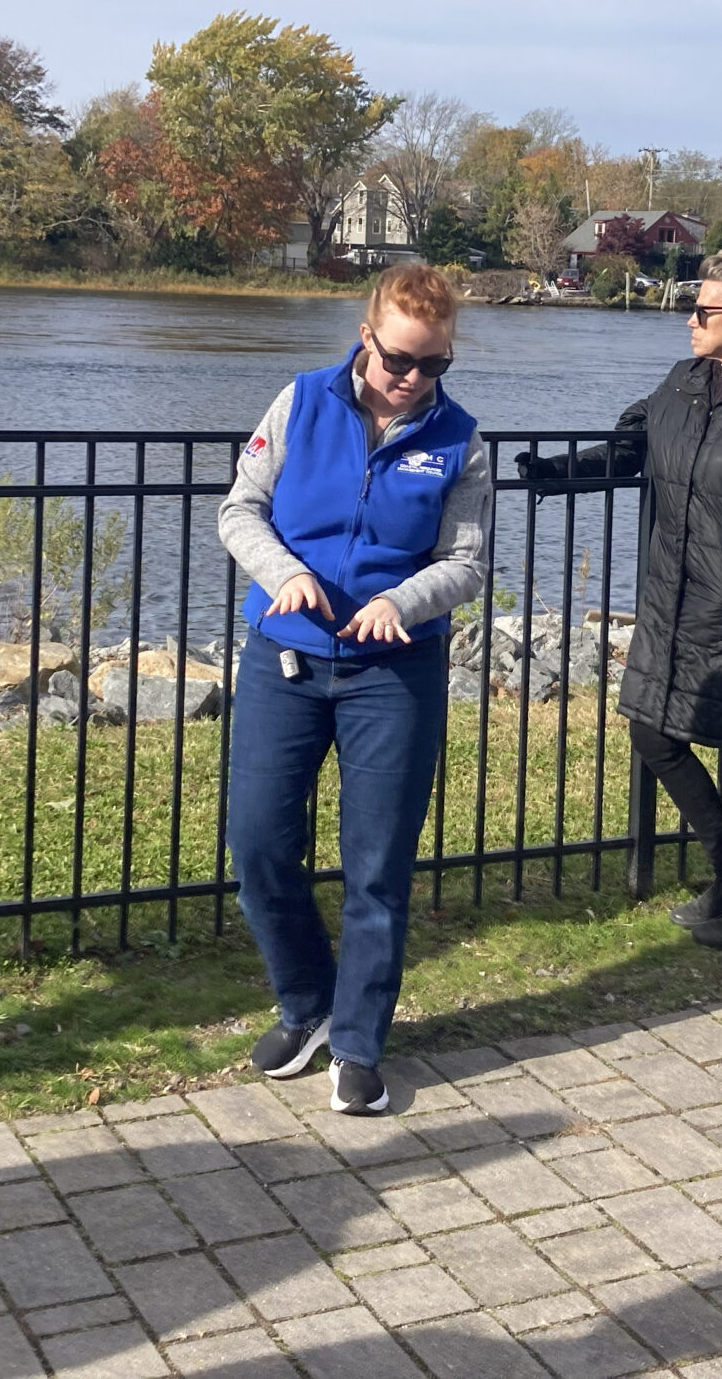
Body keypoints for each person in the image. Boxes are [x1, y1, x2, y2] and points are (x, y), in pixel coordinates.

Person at [218, 263, 487, 1116]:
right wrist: (285, 574)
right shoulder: (299, 403)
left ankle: (362, 1042)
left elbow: (467, 562)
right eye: (401, 360)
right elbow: (240, 511)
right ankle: (306, 1006)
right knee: (259, 847)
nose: (414, 380)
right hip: (284, 661)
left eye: (435, 365)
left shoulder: (462, 440)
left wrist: (400, 603)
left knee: (377, 867)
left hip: (393, 674)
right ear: (365, 337)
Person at [521, 251, 722, 949]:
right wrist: (554, 472)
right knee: (654, 732)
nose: (688, 321)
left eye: (702, 312)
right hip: (671, 598)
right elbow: (630, 449)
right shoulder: (682, 385)